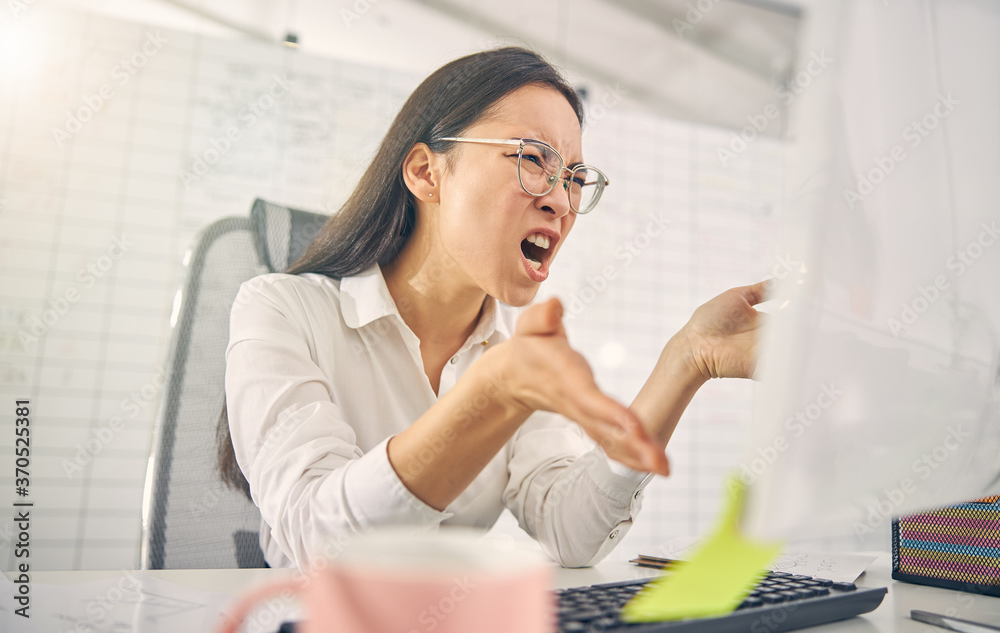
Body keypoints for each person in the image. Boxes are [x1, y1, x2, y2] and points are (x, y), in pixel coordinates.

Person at [218, 47, 767, 570]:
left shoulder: (515, 346)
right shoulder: (280, 311)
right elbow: (319, 538)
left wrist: (687, 361)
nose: (559, 200)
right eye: (532, 159)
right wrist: (491, 396)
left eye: (575, 178)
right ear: (426, 174)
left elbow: (570, 530)